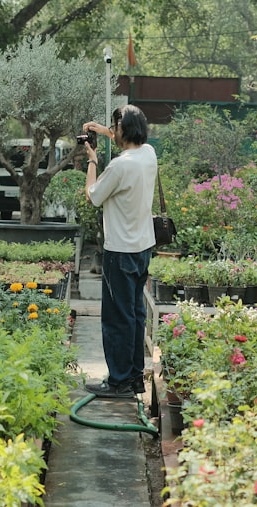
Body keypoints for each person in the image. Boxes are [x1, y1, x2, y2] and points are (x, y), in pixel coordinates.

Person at [82, 105, 157, 398]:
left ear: (123, 129)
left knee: (117, 317)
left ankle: (118, 381)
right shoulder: (148, 154)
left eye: (115, 126)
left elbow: (93, 197)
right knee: (135, 315)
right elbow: (128, 142)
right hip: (142, 248)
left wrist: (92, 161)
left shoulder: (119, 166)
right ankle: (134, 377)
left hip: (120, 251)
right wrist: (106, 131)